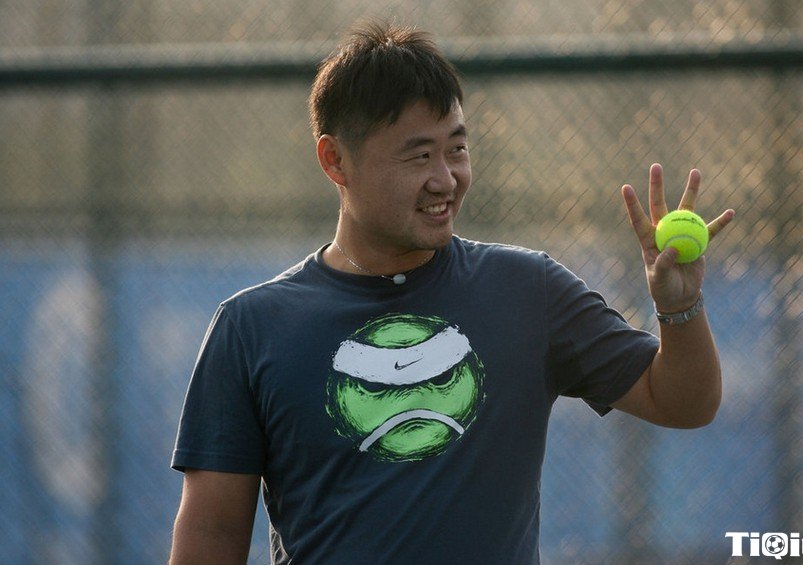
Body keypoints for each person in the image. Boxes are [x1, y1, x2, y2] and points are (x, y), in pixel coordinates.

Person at [169, 21, 734, 565]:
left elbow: (683, 402)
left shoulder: (528, 289)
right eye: (419, 156)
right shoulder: (251, 327)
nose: (445, 179)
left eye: (456, 149)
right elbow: (211, 535)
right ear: (334, 160)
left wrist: (679, 307)